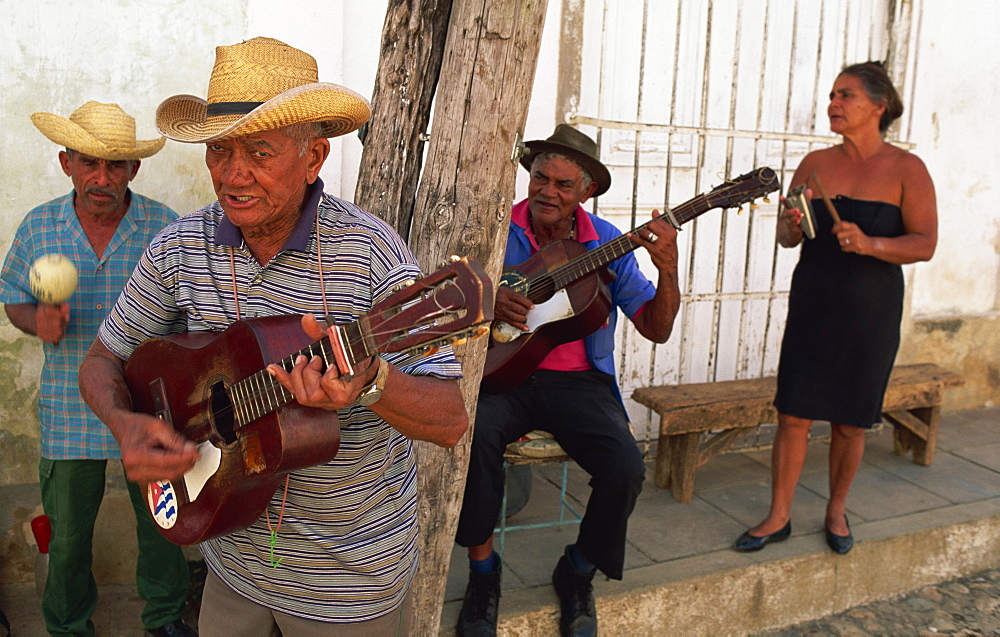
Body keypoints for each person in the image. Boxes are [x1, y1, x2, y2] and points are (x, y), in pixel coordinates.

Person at [77, 37, 469, 635]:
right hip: (229, 558)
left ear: (314, 157)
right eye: (218, 150)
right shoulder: (182, 248)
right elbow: (102, 360)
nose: (233, 175)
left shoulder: (370, 254)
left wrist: (373, 384)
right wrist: (126, 424)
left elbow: (449, 420)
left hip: (350, 580)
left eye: (259, 152)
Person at [455, 124, 682, 637]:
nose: (546, 192)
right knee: (471, 436)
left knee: (625, 467)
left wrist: (668, 269)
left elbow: (657, 328)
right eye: (540, 178)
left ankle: (578, 570)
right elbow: (446, 304)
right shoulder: (492, 226)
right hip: (504, 374)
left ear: (587, 192)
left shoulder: (607, 243)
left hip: (580, 383)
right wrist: (488, 307)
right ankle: (484, 572)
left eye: (562, 184)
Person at [0, 101, 193, 636]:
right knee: (66, 538)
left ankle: (165, 618)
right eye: (89, 163)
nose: (101, 178)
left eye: (114, 166)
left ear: (135, 169)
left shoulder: (165, 227)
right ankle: (66, 625)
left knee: (163, 525)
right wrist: (35, 320)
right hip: (68, 408)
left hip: (150, 407)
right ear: (67, 164)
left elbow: (190, 316)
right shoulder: (40, 227)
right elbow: (12, 296)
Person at [734, 61, 937, 556]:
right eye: (832, 95)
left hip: (870, 314)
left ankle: (835, 510)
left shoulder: (907, 168)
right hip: (814, 305)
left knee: (850, 420)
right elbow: (787, 237)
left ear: (878, 106)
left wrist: (871, 244)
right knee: (793, 415)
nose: (834, 104)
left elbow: (925, 244)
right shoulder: (815, 163)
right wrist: (790, 224)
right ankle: (778, 515)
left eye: (845, 96)